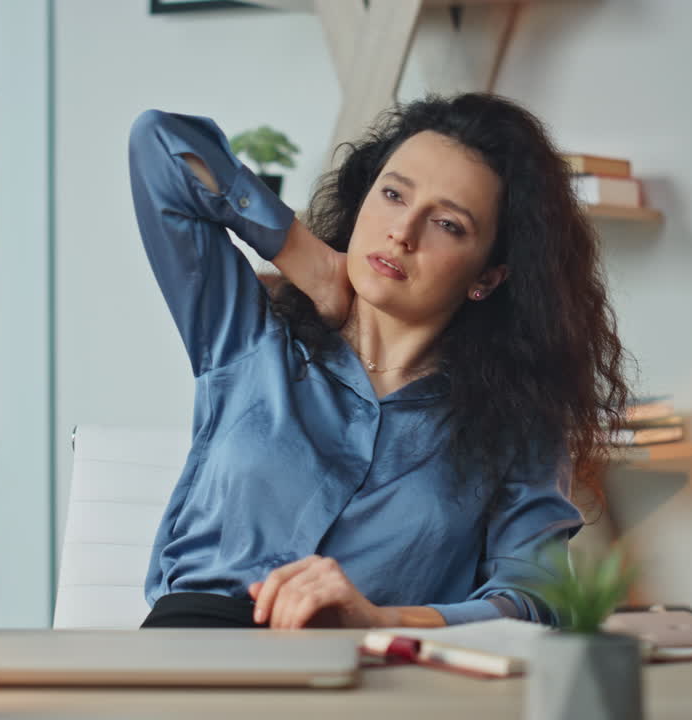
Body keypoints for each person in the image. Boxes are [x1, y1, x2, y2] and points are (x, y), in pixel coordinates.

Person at [127, 92, 630, 630]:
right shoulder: (248, 336)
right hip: (193, 650)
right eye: (393, 194)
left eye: (447, 224)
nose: (402, 232)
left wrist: (381, 619)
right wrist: (307, 258)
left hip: (366, 664)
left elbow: (538, 600)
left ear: (488, 276)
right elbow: (159, 142)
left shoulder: (516, 423)